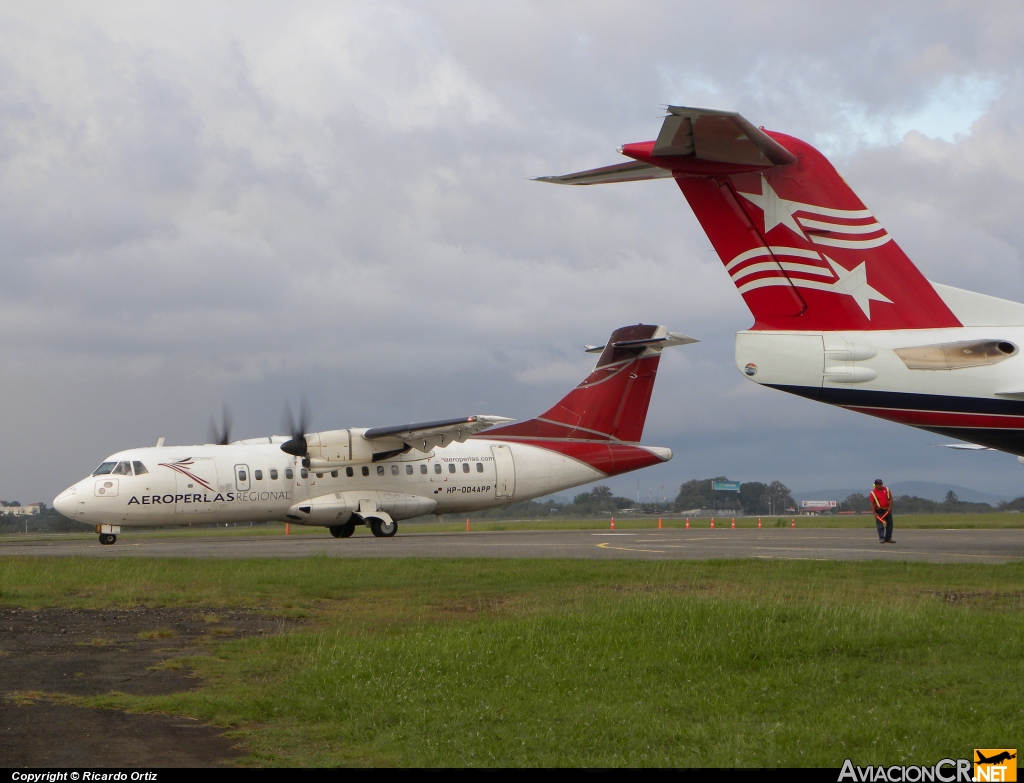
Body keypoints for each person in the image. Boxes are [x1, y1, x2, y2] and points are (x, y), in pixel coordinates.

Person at [870, 479, 894, 543]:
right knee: (880, 525)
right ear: (875, 485)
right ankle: (881, 538)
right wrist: (874, 513)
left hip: (887, 510)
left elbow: (890, 499)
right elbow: (872, 503)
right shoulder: (873, 493)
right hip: (879, 511)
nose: (880, 485)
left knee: (890, 524)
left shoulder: (886, 489)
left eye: (881, 484)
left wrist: (890, 507)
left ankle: (888, 538)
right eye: (878, 484)